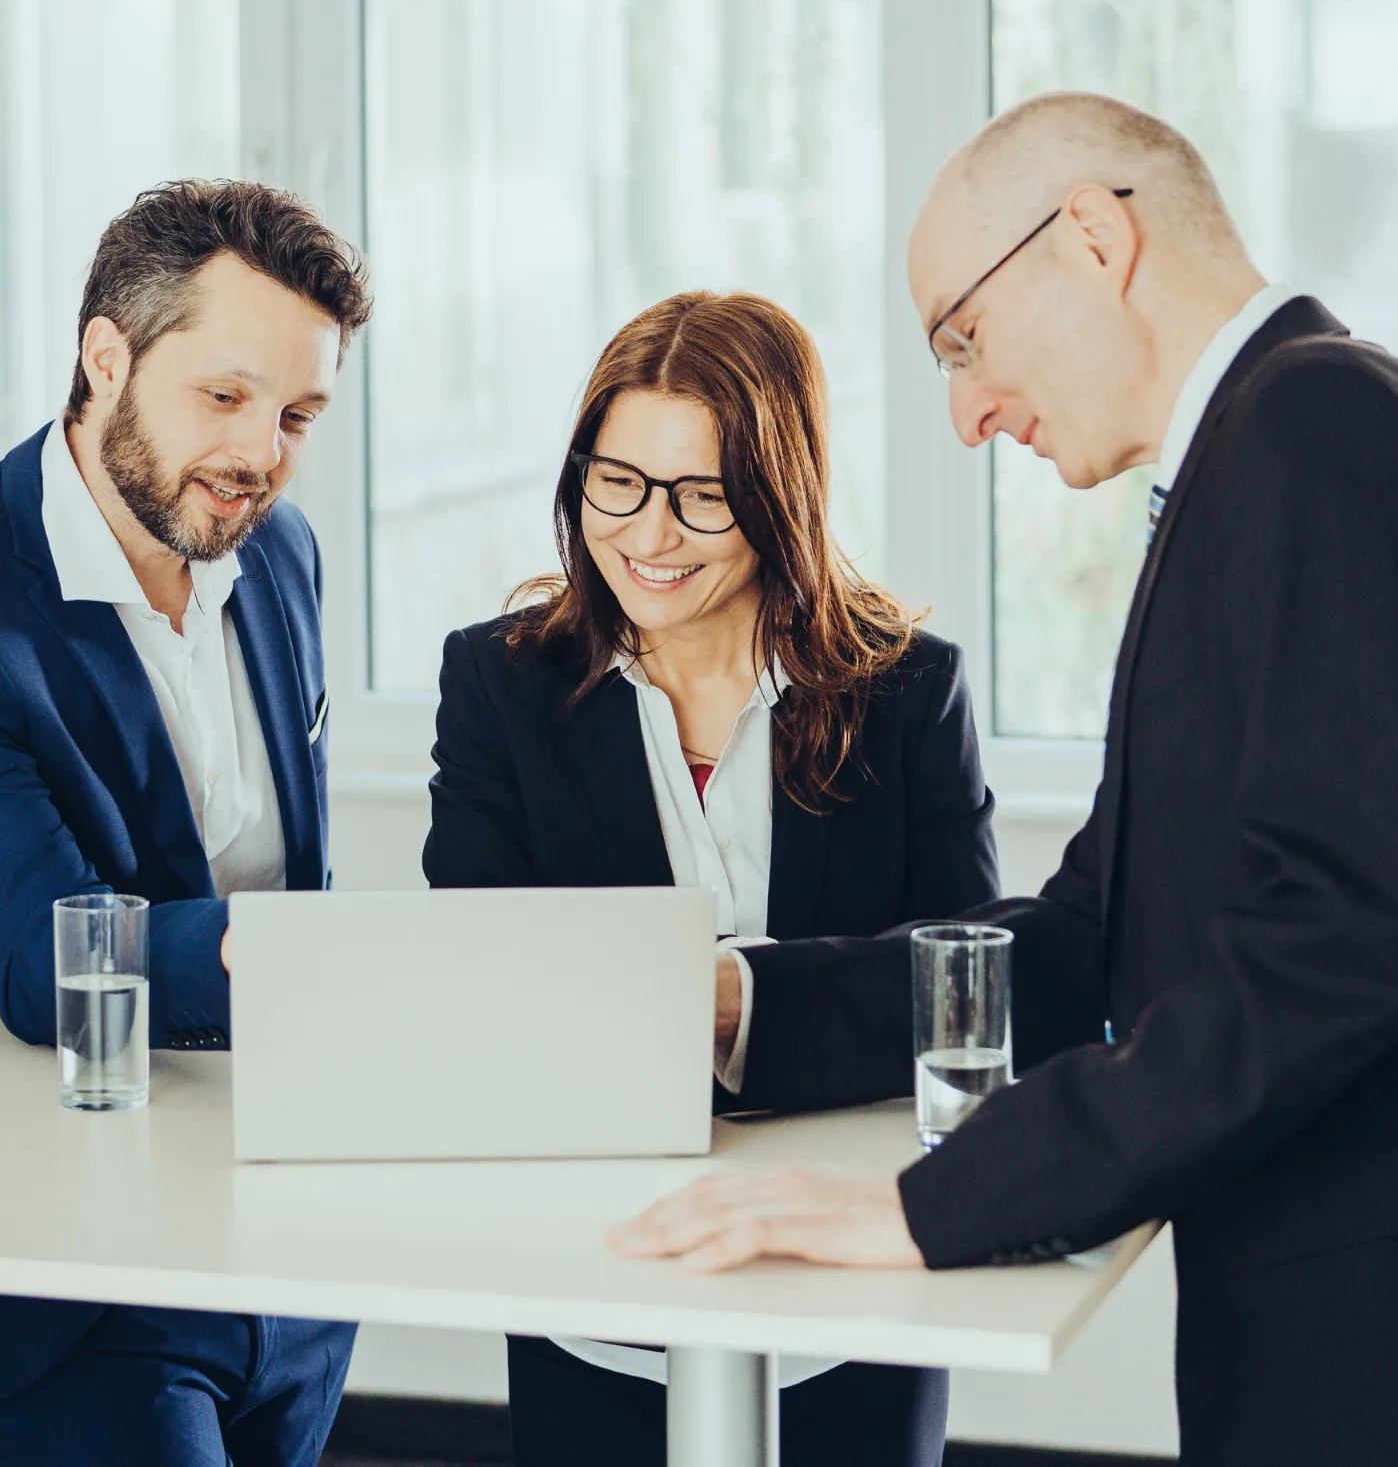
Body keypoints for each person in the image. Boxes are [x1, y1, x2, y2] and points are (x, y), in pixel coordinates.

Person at [610, 94, 1398, 1467]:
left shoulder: (1324, 438)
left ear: (1093, 235)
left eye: (964, 337)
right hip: (1368, 1299)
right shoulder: (1273, 448)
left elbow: (1343, 940)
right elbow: (1100, 932)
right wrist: (748, 1002)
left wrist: (932, 1203)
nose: (966, 410)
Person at [0, 181, 373, 1467]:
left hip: (278, 1232)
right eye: (225, 395)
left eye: (299, 414)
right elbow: (53, 965)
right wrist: (334, 969)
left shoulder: (281, 555)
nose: (264, 453)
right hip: (59, 1275)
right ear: (107, 357)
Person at [428, 292, 999, 1467]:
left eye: (703, 494)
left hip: (849, 1291)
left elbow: (964, 989)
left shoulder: (906, 693)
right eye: (617, 481)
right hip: (596, 1278)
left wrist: (736, 998)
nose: (651, 532)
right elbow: (485, 982)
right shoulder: (500, 685)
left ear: (780, 492)